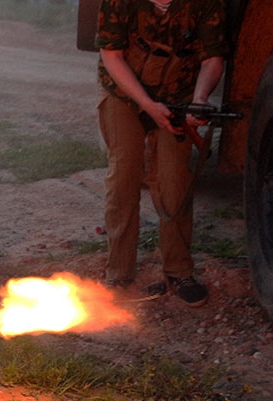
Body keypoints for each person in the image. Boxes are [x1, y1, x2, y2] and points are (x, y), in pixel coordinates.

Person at [95, 0, 227, 307]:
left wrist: (199, 99)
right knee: (123, 176)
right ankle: (118, 272)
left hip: (178, 94)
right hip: (123, 94)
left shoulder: (207, 4)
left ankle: (179, 271)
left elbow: (212, 59)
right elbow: (112, 56)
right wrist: (149, 105)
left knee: (174, 180)